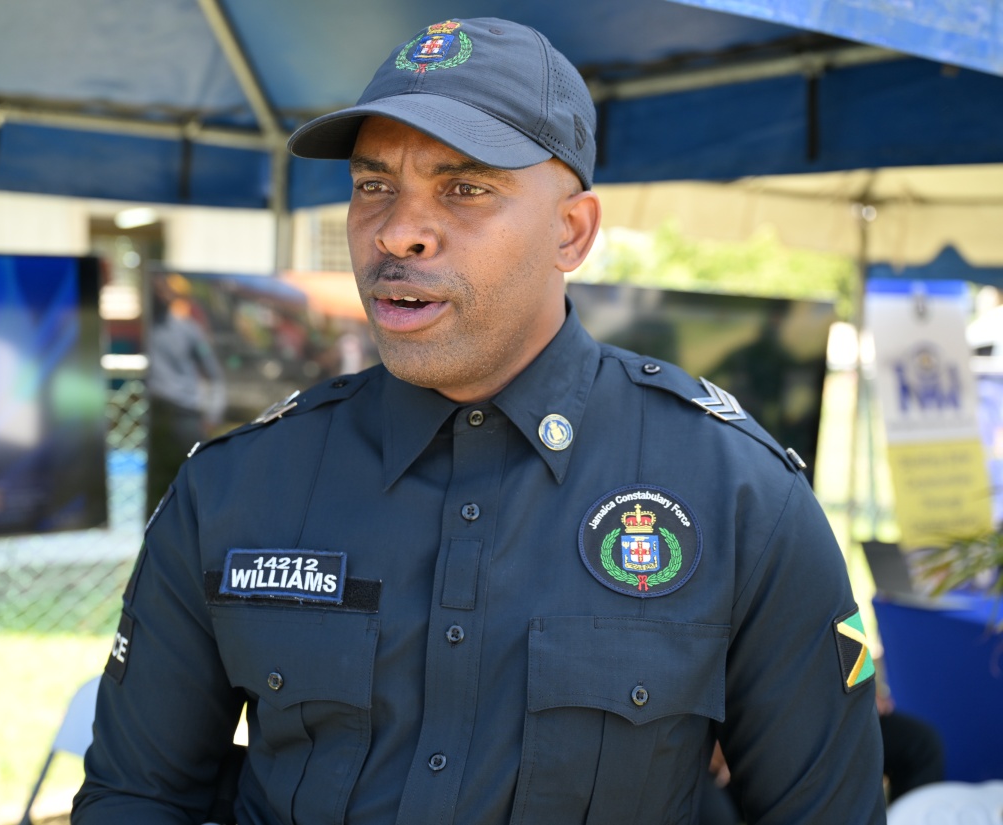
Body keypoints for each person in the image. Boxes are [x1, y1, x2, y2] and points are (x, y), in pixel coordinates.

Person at [73, 17, 887, 824]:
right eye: (372, 185)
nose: (397, 231)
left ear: (572, 231)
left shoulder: (739, 493)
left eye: (464, 188)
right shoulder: (237, 486)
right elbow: (137, 796)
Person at [144, 271, 226, 519]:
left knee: (193, 488)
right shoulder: (143, 330)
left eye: (165, 291)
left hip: (185, 416)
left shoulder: (188, 330)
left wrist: (213, 413)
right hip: (154, 419)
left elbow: (214, 375)